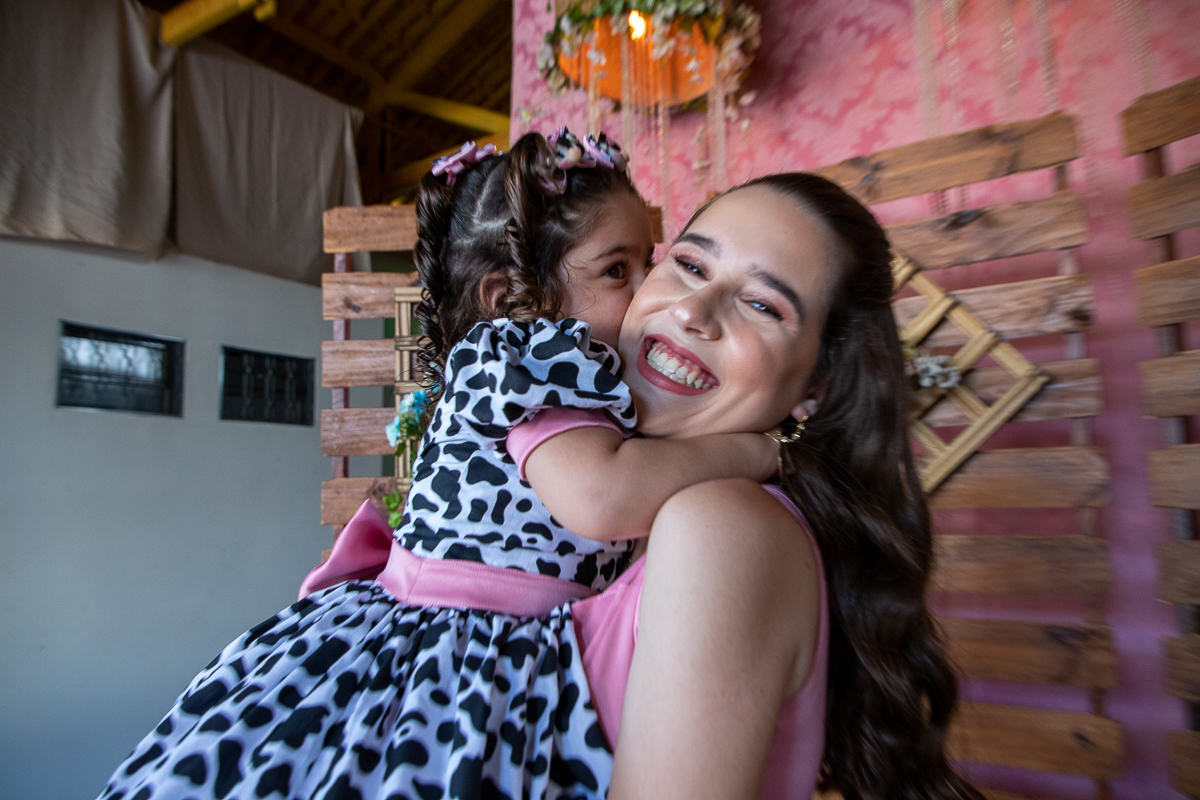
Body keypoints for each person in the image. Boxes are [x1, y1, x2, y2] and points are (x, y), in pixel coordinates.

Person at [96, 129, 778, 800]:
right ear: (508, 299)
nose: (649, 290)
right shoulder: (530, 360)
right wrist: (758, 449)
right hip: (460, 646)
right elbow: (600, 499)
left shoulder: (576, 376)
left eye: (647, 262)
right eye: (616, 270)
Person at [515, 173, 983, 799]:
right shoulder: (626, 520)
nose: (692, 311)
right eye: (690, 265)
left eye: (763, 304)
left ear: (816, 385)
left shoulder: (719, 525)